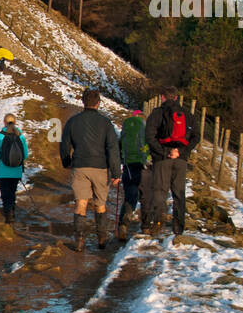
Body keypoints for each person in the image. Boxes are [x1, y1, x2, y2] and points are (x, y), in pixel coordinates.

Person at [58, 88, 121, 251]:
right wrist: (116, 172)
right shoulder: (106, 123)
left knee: (81, 204)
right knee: (100, 205)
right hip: (100, 168)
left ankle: (79, 241)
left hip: (80, 166)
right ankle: (102, 239)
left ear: (82, 102)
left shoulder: (73, 121)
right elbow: (113, 148)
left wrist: (67, 162)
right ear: (98, 103)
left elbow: (64, 144)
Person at [144, 90, 201, 235]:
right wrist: (181, 152)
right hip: (180, 159)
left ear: (162, 97)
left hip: (162, 159)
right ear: (176, 98)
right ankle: (178, 227)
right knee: (179, 193)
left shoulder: (157, 113)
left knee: (160, 191)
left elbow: (149, 136)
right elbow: (196, 136)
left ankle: (158, 221)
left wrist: (164, 152)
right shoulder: (187, 114)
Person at [116, 108, 149, 241]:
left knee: (130, 196)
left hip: (128, 166)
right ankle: (146, 226)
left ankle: (124, 224)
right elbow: (149, 148)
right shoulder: (146, 132)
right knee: (146, 197)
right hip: (144, 166)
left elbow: (119, 148)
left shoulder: (126, 131)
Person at [0, 114, 29, 224]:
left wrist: (2, 158)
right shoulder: (20, 136)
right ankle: (12, 210)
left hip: (3, 170)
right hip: (16, 170)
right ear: (15, 122)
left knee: (5, 192)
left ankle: (8, 214)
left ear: (4, 122)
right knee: (12, 191)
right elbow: (25, 154)